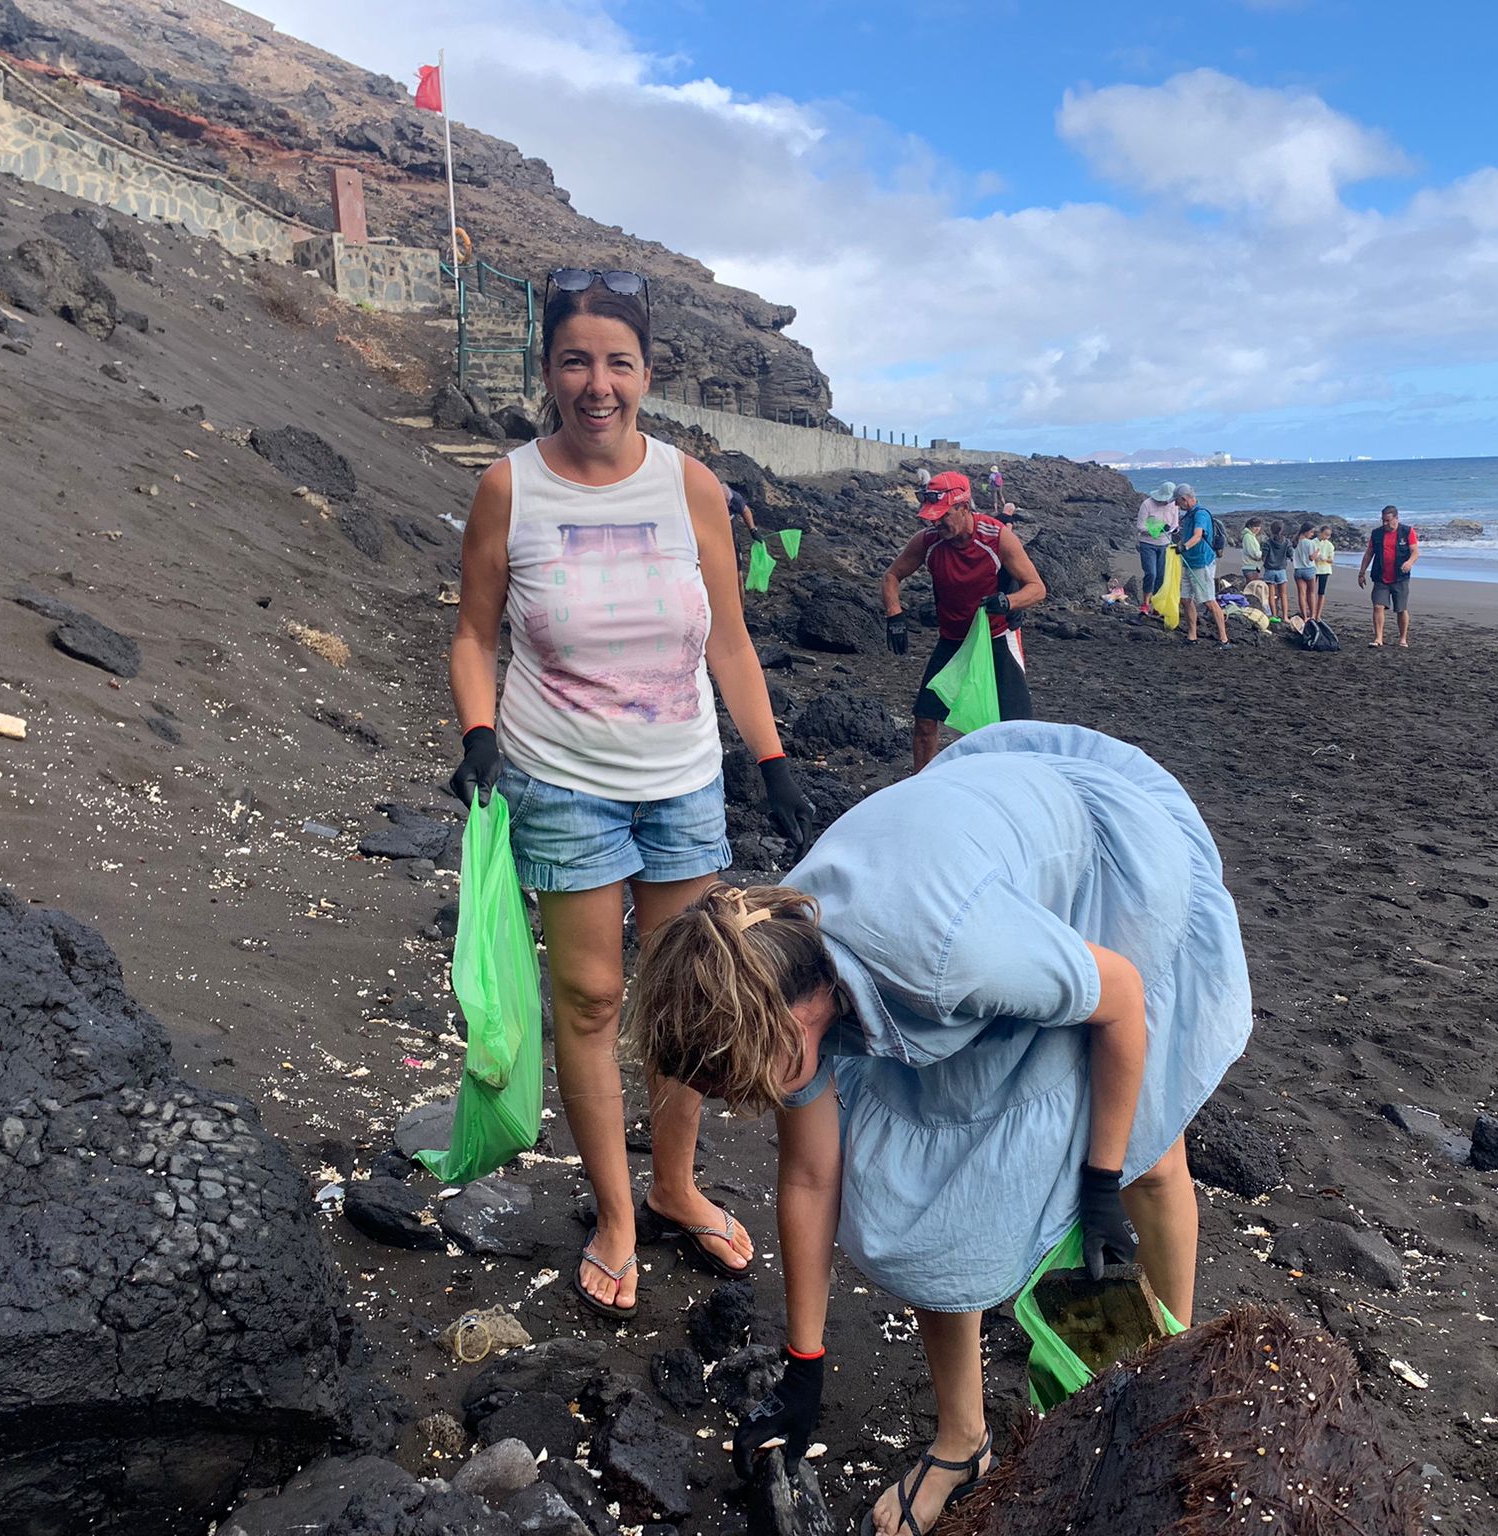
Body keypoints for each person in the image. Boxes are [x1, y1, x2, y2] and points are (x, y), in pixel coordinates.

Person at [627, 722, 1254, 1536]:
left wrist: (1099, 1186)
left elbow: (1124, 1000)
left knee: (1146, 1152)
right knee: (925, 1180)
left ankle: (1167, 1383)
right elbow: (813, 1176)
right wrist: (803, 1367)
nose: (734, 1098)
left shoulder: (948, 959)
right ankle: (963, 1445)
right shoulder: (764, 957)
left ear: (790, 1023)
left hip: (1093, 873)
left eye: (739, 1079)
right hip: (966, 857)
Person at [446, 267, 817, 1322]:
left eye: (617, 362)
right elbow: (474, 634)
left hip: (683, 782)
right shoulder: (508, 488)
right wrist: (476, 735)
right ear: (548, 372)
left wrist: (774, 759)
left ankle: (675, 1183)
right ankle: (614, 1211)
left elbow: (731, 643)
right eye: (575, 361)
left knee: (685, 1000)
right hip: (559, 778)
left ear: (646, 374)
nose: (596, 383)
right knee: (592, 1001)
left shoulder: (691, 487)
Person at [882, 472, 1046, 772]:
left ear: (964, 507)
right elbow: (892, 575)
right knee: (925, 717)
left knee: (1018, 725)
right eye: (932, 517)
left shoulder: (996, 537)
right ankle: (920, 784)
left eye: (943, 515)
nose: (936, 523)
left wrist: (1008, 602)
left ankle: (1022, 784)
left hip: (996, 638)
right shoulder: (928, 541)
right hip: (953, 640)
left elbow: (1036, 587)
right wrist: (895, 614)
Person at [1173, 486, 1230, 647]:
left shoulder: (1201, 514)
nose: (1177, 505)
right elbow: (1187, 536)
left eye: (1178, 501)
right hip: (1188, 562)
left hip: (1201, 562)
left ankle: (1223, 639)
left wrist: (1184, 547)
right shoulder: (1189, 516)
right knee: (1185, 599)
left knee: (1208, 601)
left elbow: (1198, 535)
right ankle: (1192, 636)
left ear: (1185, 499)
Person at [1357, 504, 1418, 648]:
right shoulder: (1376, 533)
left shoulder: (1407, 531)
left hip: (1400, 577)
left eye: (1388, 520)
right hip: (1380, 576)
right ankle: (1378, 638)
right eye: (1383, 520)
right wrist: (1361, 573)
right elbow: (1369, 553)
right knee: (1378, 606)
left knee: (1401, 609)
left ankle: (1403, 639)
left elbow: (1415, 551)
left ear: (1396, 518)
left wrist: (1409, 562)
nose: (1385, 523)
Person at [1134, 481, 1177, 616]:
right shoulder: (1147, 504)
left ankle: (1157, 605)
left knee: (1161, 576)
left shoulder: (1174, 506)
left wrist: (1171, 530)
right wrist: (1157, 529)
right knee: (1151, 573)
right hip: (1147, 543)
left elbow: (1175, 524)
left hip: (1165, 544)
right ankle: (1146, 603)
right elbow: (1140, 526)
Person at [1260, 520, 1292, 621]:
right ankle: (1285, 616)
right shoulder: (1286, 542)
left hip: (1269, 570)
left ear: (1271, 530)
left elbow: (1263, 557)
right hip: (1281, 570)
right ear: (1282, 530)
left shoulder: (1268, 542)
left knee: (1271, 595)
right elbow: (1290, 555)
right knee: (1283, 594)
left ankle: (1274, 615)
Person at [1290, 522, 1319, 620]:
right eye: (1311, 532)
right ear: (1306, 532)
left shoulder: (1295, 541)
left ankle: (1304, 616)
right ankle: (1313, 615)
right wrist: (1317, 552)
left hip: (1298, 569)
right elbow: (1312, 557)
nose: (1312, 534)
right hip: (1309, 569)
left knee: (1301, 594)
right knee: (1311, 593)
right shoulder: (1309, 543)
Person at [1312, 526, 1336, 619]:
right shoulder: (1313, 543)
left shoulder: (1330, 545)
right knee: (1311, 592)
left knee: (1321, 592)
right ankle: (1312, 613)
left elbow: (1331, 560)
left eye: (1329, 535)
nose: (1327, 537)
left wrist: (1324, 558)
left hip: (1324, 570)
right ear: (1320, 532)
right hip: (1314, 569)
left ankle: (1318, 615)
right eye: (1325, 534)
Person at [1239, 516, 1264, 584]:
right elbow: (1254, 554)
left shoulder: (1251, 536)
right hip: (1250, 567)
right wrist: (1264, 554)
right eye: (1255, 526)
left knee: (1252, 588)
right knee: (1252, 589)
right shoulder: (1248, 537)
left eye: (1259, 526)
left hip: (1253, 567)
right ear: (1250, 526)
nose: (1258, 528)